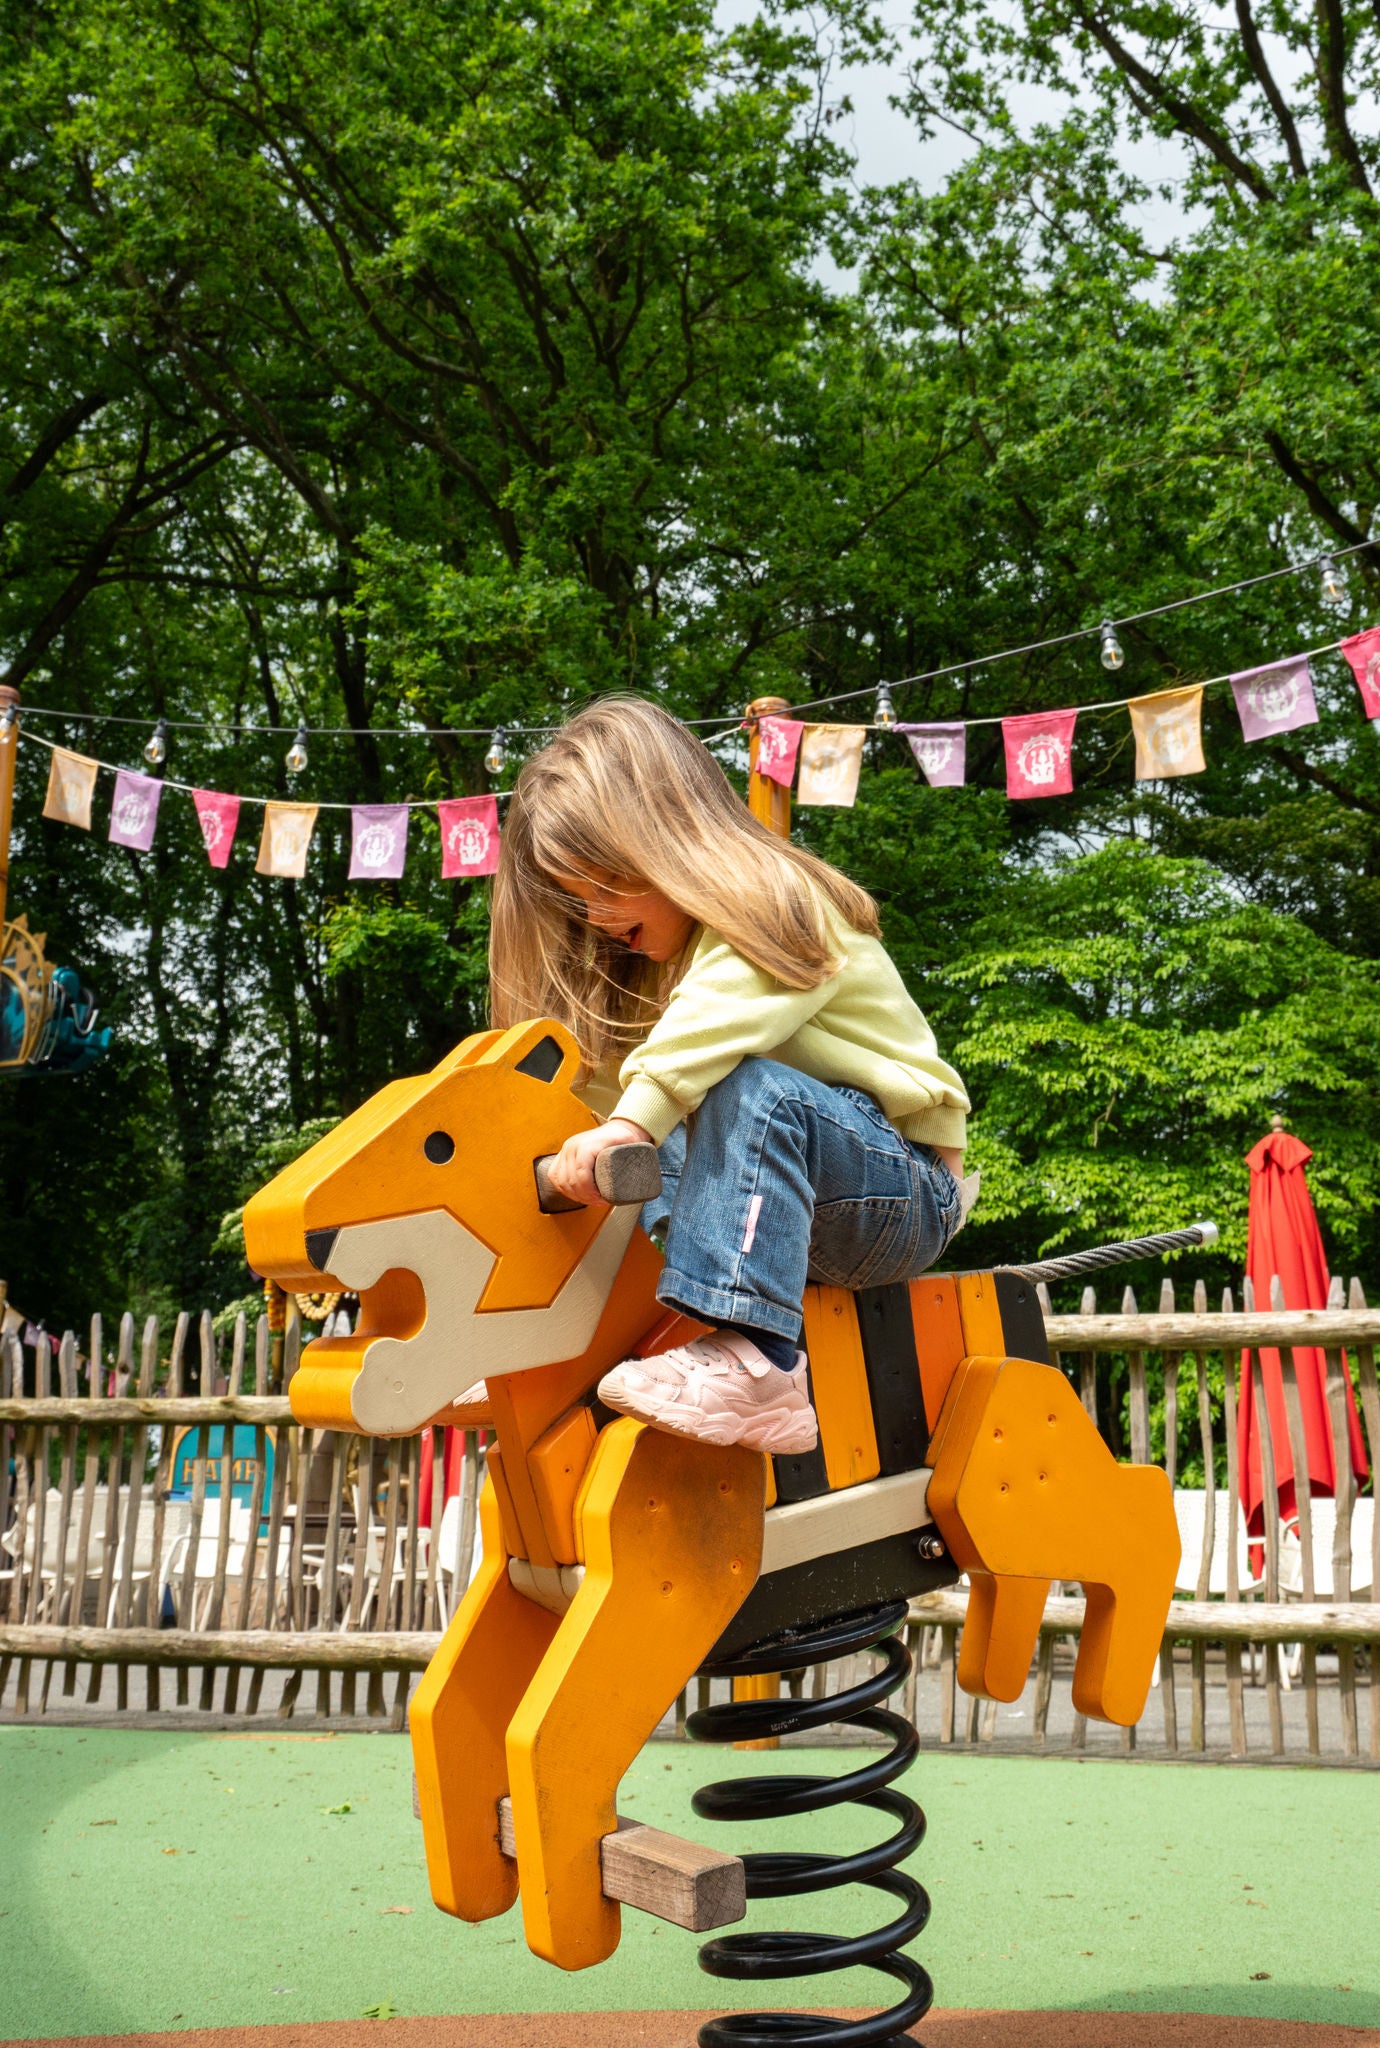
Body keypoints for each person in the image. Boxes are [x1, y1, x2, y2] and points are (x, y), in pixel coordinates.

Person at [489, 696, 975, 1455]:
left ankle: (762, 1372)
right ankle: (532, 1335)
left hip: (903, 1191)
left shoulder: (778, 905)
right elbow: (615, 1097)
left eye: (604, 887)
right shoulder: (668, 973)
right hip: (793, 1210)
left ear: (659, 844)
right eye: (577, 901)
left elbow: (702, 1037)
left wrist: (629, 1122)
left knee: (739, 1091)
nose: (595, 918)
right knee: (635, 1138)